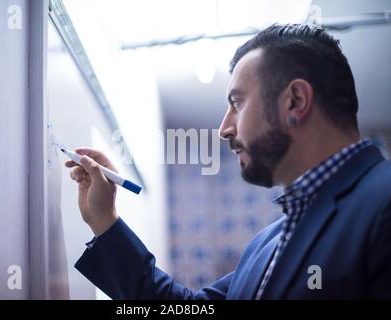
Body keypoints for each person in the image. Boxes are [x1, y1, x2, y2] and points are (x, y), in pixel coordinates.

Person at [65, 24, 391, 299]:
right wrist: (104, 220)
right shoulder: (265, 245)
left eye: (237, 102)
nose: (224, 129)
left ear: (295, 101)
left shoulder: (383, 204)